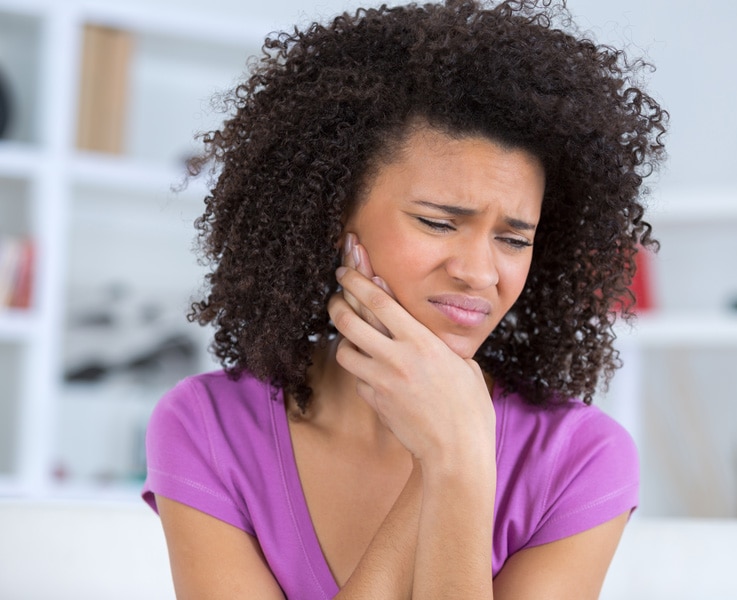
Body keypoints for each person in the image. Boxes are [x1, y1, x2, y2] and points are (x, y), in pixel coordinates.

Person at [141, 0, 667, 597]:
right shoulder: (209, 428)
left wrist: (459, 463)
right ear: (333, 218)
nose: (479, 273)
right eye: (439, 223)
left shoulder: (579, 458)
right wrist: (447, 455)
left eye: (513, 238)